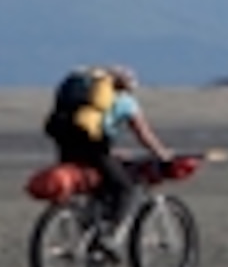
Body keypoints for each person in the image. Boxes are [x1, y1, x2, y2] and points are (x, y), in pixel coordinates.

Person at [46, 64, 170, 232]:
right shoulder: (125, 101)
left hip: (66, 142)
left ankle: (87, 229)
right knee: (125, 188)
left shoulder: (85, 100)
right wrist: (162, 153)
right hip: (94, 148)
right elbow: (143, 133)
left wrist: (110, 153)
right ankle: (109, 234)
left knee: (96, 185)